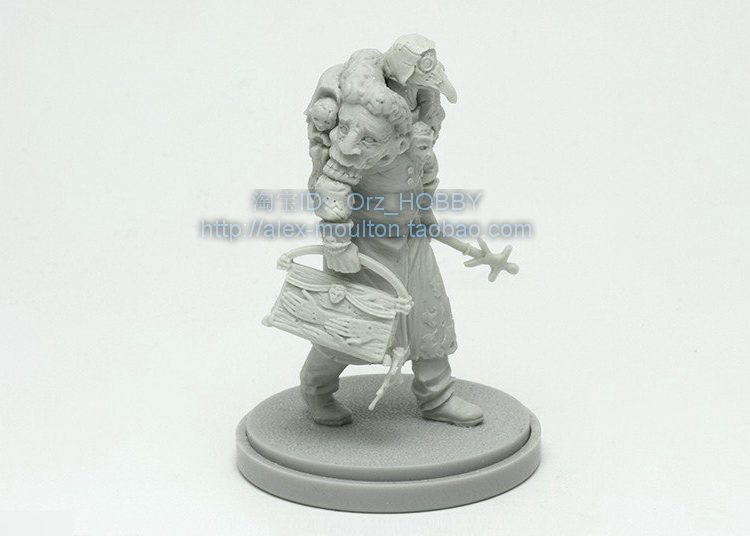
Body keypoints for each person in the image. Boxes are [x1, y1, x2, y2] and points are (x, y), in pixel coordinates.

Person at [296, 55, 484, 427]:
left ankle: (437, 396)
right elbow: (332, 187)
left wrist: (425, 215)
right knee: (348, 328)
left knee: (428, 318)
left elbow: (423, 175)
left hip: (411, 241)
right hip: (366, 245)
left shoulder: (417, 123)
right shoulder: (366, 125)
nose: (349, 142)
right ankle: (316, 389)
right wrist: (338, 245)